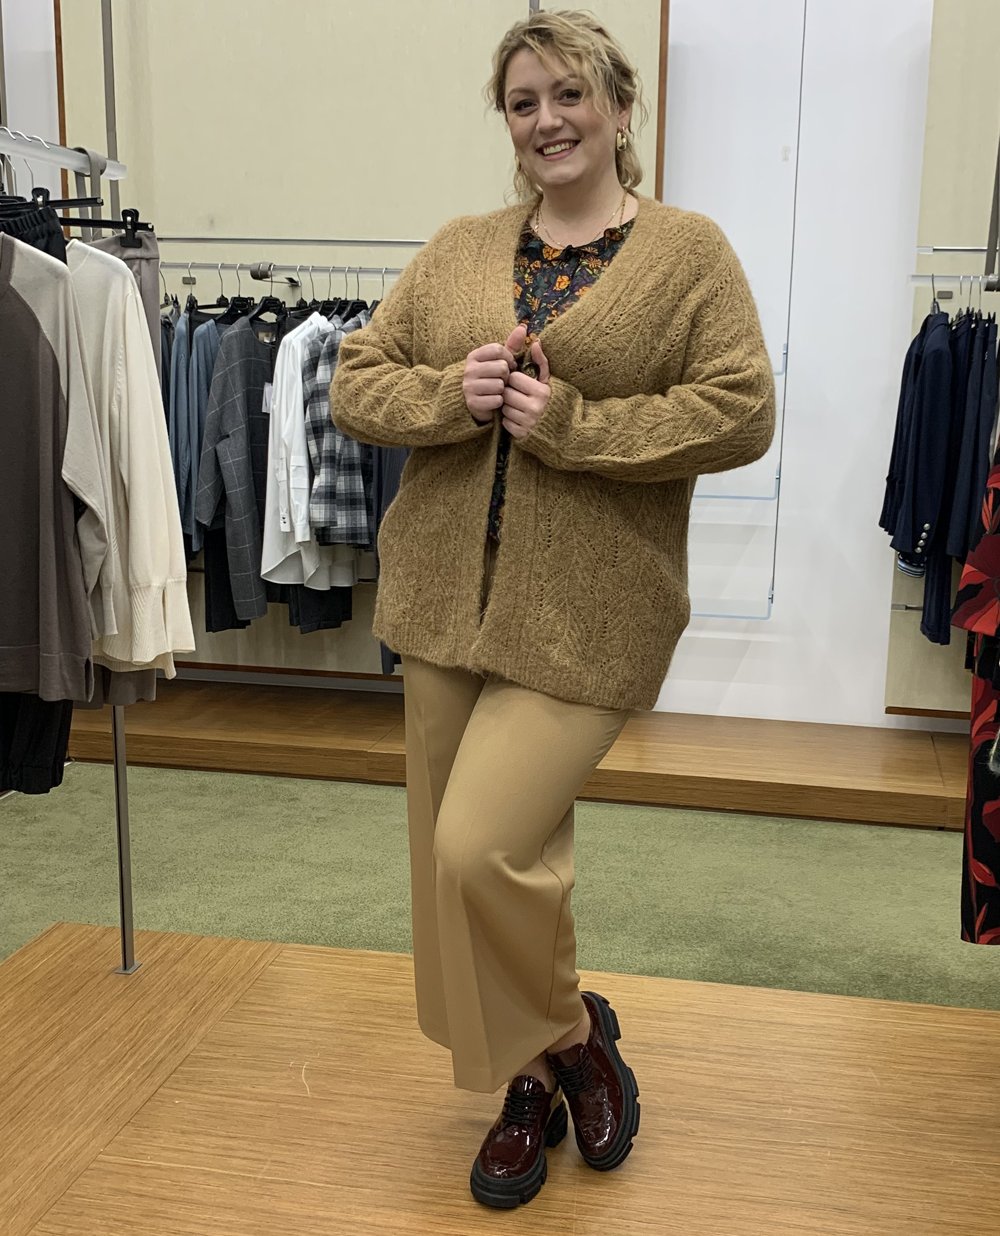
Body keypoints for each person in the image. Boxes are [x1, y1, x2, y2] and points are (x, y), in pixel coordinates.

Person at [332, 8, 775, 1210]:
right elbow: (357, 382)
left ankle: (571, 1034)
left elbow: (740, 409)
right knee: (484, 868)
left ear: (620, 108)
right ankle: (532, 1076)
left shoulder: (688, 253)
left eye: (568, 94)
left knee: (476, 845)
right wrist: (450, 393)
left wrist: (574, 425)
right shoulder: (459, 248)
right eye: (523, 103)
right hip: (442, 601)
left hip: (592, 611)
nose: (547, 121)